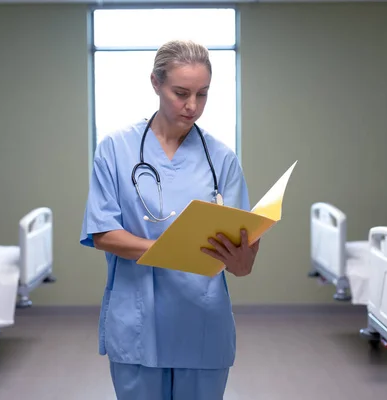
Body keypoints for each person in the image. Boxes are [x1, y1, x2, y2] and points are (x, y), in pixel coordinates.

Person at [80, 39, 260, 400]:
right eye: (181, 93)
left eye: (202, 94)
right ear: (155, 84)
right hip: (138, 320)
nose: (192, 106)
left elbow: (243, 264)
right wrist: (172, 250)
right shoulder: (116, 149)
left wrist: (241, 261)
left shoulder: (221, 159)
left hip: (202, 321)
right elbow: (102, 233)